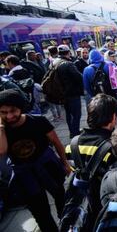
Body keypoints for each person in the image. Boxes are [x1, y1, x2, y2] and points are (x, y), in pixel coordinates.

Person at [0, 89, 71, 232]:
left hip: (48, 166)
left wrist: (65, 163)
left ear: (20, 107)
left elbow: (57, 143)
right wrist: (1, 128)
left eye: (13, 111)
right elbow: (2, 150)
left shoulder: (38, 121)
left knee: (61, 198)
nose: (9, 116)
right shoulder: (2, 130)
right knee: (40, 212)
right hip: (24, 174)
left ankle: (66, 224)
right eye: (3, 112)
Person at [65, 94, 117, 230]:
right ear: (113, 117)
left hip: (79, 201)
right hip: (102, 205)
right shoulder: (113, 148)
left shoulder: (72, 144)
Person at [83, 50, 117, 125]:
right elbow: (115, 81)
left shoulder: (87, 70)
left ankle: (108, 132)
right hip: (113, 94)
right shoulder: (110, 64)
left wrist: (94, 96)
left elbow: (87, 87)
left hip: (99, 97)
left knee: (104, 115)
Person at [54, 45, 84, 138]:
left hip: (62, 93)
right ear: (68, 52)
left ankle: (72, 131)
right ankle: (75, 133)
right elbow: (79, 77)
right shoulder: (68, 64)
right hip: (72, 93)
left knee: (68, 113)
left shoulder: (55, 62)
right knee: (76, 114)